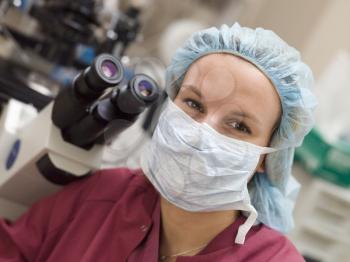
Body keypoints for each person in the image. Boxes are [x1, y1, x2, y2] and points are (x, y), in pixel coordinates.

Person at [0, 23, 316, 262]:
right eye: (194, 104)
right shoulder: (100, 197)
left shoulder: (272, 258)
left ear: (266, 157)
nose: (200, 132)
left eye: (239, 125)